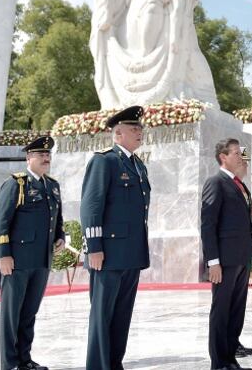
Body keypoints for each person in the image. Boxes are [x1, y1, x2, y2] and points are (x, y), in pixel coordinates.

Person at [81, 105, 152, 370]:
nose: (139, 133)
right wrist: (94, 247)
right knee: (102, 316)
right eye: (134, 129)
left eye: (140, 129)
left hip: (131, 253)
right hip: (108, 254)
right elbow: (91, 206)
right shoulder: (104, 161)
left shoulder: (138, 165)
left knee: (122, 316)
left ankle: (114, 363)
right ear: (118, 133)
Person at [0, 135, 65, 370]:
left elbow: (57, 220)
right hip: (18, 260)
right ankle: (10, 364)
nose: (46, 158)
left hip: (41, 260)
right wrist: (3, 254)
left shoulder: (52, 185)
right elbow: (1, 221)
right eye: (40, 154)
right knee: (11, 315)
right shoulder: (17, 184)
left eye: (48, 155)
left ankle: (24, 360)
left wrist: (60, 237)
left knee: (29, 314)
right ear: (28, 157)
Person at [200, 137, 252, 370]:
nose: (242, 157)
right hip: (223, 261)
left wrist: (242, 153)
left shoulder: (239, 185)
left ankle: (230, 361)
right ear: (223, 157)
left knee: (236, 312)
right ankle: (219, 364)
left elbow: (245, 161)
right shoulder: (216, 182)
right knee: (221, 312)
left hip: (241, 259)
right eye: (237, 153)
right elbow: (207, 225)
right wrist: (213, 262)